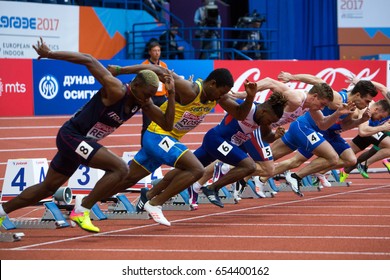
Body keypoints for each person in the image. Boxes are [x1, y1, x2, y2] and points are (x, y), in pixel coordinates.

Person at [0, 37, 176, 233]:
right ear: (135, 86)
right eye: (147, 94)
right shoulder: (116, 89)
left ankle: (1, 211)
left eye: (152, 95)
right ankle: (82, 209)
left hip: (82, 142)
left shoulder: (143, 102)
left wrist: (172, 94)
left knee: (47, 188)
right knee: (120, 168)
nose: (149, 98)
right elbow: (88, 59)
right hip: (71, 135)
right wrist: (50, 54)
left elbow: (167, 124)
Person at [79, 66, 257, 227]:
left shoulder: (217, 98)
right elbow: (155, 69)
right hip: (158, 136)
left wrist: (249, 97)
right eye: (221, 92)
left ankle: (84, 204)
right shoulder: (189, 89)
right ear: (212, 84)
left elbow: (240, 114)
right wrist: (120, 70)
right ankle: (154, 203)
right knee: (196, 169)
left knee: (127, 179)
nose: (221, 96)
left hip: (164, 141)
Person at [188, 76, 340, 206]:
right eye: (322, 104)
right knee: (267, 169)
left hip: (260, 129)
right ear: (314, 97)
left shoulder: (311, 107)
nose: (322, 107)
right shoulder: (296, 97)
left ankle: (197, 185)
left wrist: (338, 113)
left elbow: (323, 124)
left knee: (228, 158)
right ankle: (224, 167)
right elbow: (269, 81)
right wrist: (242, 94)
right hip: (256, 125)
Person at [273, 71, 378, 195]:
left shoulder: (353, 109)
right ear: (358, 95)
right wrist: (291, 77)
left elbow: (344, 126)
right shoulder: (338, 98)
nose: (368, 104)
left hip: (328, 133)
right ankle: (262, 175)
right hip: (311, 128)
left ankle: (315, 171)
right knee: (294, 160)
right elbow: (317, 81)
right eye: (367, 101)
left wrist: (361, 120)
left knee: (350, 159)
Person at [192, 91, 288, 208]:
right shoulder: (247, 108)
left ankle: (165, 187)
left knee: (190, 167)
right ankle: (212, 188)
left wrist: (275, 136)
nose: (269, 124)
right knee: (249, 166)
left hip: (227, 145)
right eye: (269, 121)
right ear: (264, 112)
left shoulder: (263, 119)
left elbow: (267, 137)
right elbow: (221, 97)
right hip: (216, 140)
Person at [141, 41, 169, 146]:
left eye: (158, 50)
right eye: (154, 51)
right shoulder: (144, 65)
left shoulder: (164, 65)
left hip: (162, 98)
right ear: (150, 52)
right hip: (149, 98)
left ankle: (158, 147)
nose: (157, 53)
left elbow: (166, 81)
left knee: (162, 125)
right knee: (147, 125)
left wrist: (168, 95)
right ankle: (144, 148)